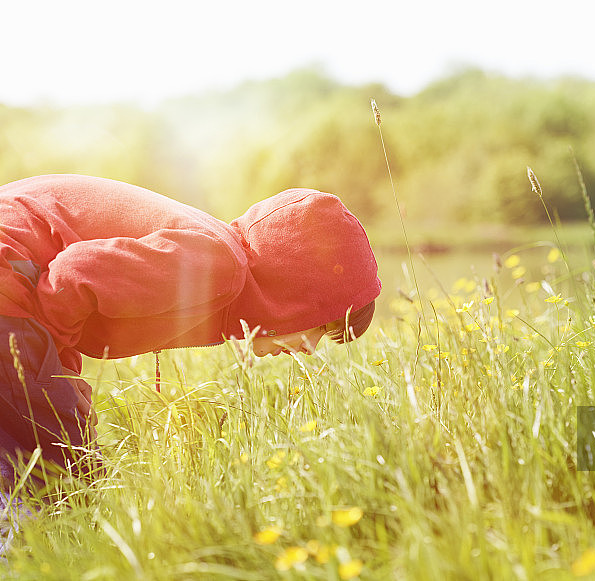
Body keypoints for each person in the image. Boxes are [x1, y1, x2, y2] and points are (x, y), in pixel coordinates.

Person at [0, 174, 381, 485]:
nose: (311, 348)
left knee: (34, 451)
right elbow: (72, 277)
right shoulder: (218, 264)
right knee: (69, 484)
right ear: (295, 289)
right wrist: (59, 374)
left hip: (14, 285)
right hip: (9, 282)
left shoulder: (219, 262)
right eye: (319, 325)